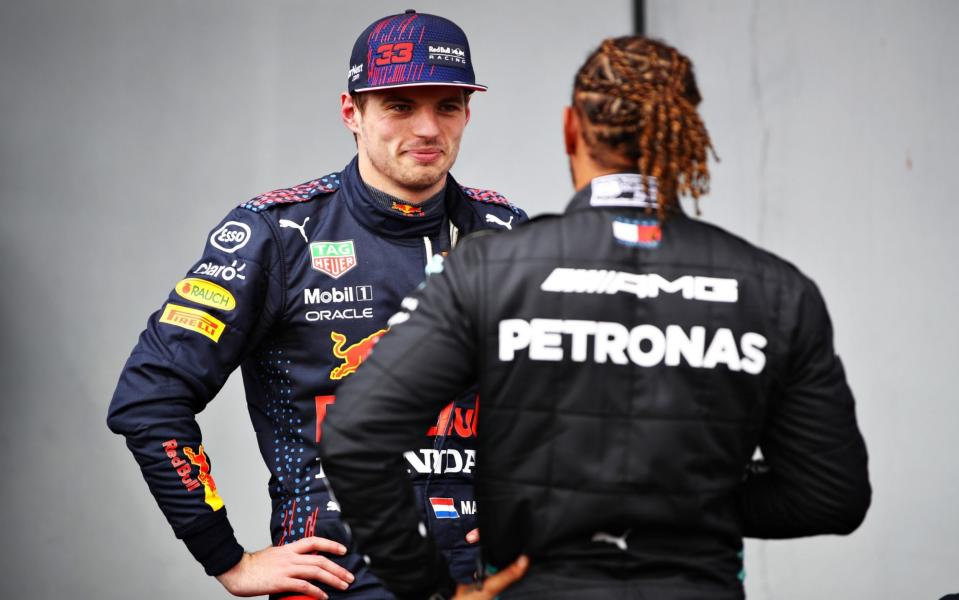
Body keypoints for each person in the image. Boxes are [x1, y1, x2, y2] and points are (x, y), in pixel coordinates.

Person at [319, 36, 871, 599]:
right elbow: (831, 493)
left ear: (570, 129)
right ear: (686, 134)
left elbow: (355, 436)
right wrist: (685, 497)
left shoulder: (492, 267)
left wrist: (435, 590)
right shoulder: (776, 290)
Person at [106, 10, 526, 600]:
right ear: (352, 112)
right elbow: (150, 398)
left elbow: (566, 404)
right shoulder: (275, 235)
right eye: (401, 106)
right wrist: (226, 557)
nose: (428, 128)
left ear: (467, 112)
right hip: (343, 580)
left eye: (447, 105)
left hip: (487, 580)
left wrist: (540, 518)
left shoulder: (506, 230)